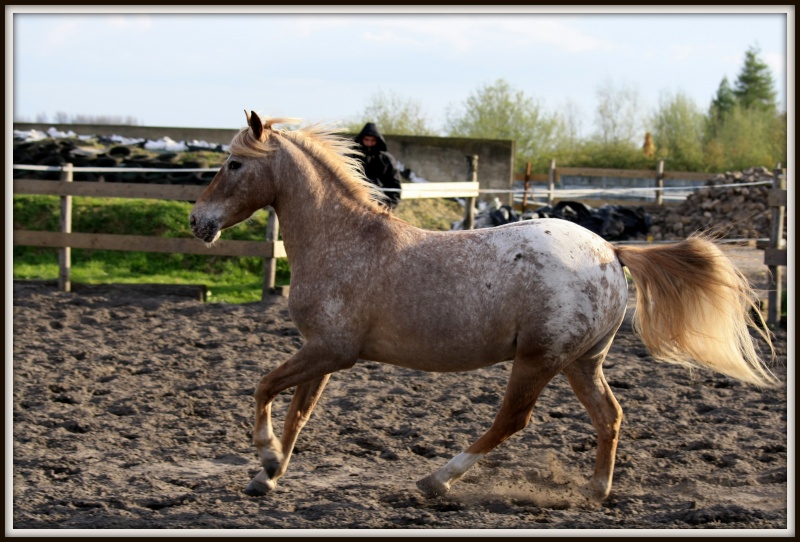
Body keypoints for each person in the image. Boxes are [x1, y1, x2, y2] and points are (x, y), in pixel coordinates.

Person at [353, 122, 403, 210]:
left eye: (372, 140)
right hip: (355, 204)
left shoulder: (386, 159)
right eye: (367, 140)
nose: (369, 143)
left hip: (380, 205)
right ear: (361, 139)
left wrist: (388, 208)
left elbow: (394, 185)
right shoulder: (353, 156)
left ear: (377, 140)